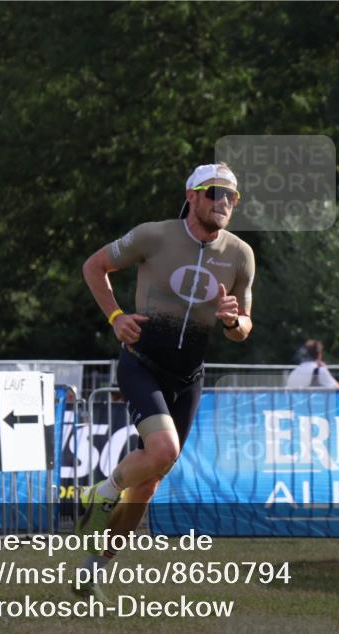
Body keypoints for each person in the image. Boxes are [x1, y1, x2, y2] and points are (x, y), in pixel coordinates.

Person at [79, 162, 255, 594]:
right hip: (142, 362)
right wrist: (115, 317)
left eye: (232, 196)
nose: (224, 202)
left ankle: (95, 566)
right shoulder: (154, 236)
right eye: (215, 192)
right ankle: (103, 491)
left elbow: (244, 328)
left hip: (188, 376)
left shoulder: (240, 255)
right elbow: (94, 266)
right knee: (163, 449)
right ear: (192, 196)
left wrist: (233, 322)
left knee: (149, 484)